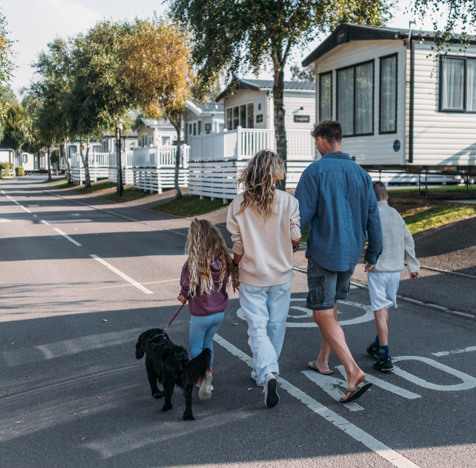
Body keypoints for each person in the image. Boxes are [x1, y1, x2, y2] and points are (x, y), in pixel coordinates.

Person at [294, 120, 382, 404]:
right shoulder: (361, 175)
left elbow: (299, 219)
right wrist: (373, 253)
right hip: (349, 255)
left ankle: (353, 370)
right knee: (330, 308)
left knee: (320, 313)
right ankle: (322, 360)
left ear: (321, 140)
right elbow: (373, 217)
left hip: (324, 253)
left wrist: (285, 241)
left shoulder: (314, 172)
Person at [226, 150, 301, 409]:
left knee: (257, 328)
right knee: (276, 326)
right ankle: (266, 372)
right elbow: (295, 239)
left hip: (251, 275)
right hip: (281, 275)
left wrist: (234, 267)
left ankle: (266, 372)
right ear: (274, 174)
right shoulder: (289, 202)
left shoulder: (238, 204)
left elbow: (238, 248)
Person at [365, 181, 420, 372]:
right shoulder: (396, 215)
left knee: (380, 310)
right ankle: (377, 344)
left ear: (370, 198)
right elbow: (408, 240)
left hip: (378, 269)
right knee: (385, 308)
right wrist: (413, 266)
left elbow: (363, 238)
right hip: (396, 271)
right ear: (387, 197)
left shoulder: (371, 214)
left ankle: (385, 356)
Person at [178, 218, 232, 400]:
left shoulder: (193, 263)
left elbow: (187, 286)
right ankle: (208, 372)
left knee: (195, 346)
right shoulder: (223, 259)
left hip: (201, 314)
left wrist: (183, 295)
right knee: (208, 344)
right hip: (218, 313)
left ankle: (201, 378)